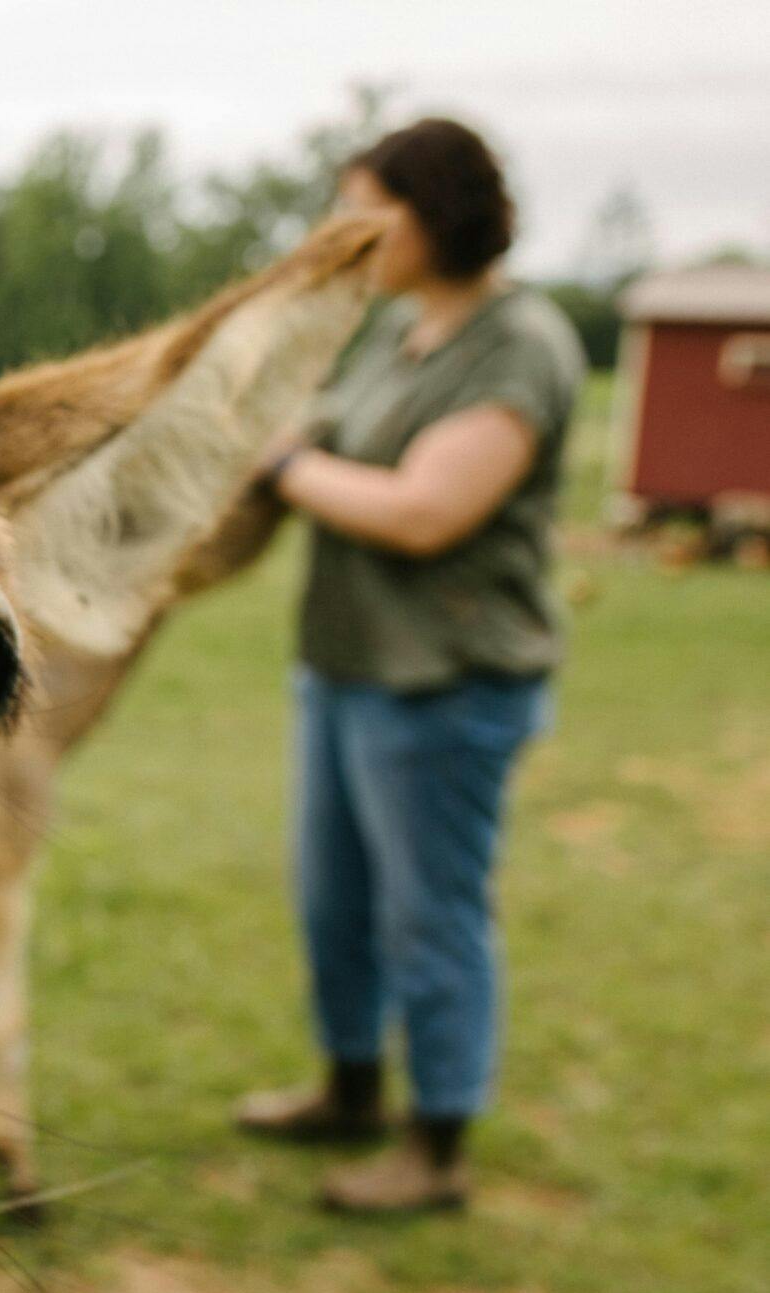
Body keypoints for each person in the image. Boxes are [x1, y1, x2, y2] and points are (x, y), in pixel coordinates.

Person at [235, 117, 585, 1214]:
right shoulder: (402, 331)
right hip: (345, 667)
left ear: (435, 212)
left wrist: (287, 464)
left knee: (428, 914)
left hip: (445, 685)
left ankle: (436, 1147)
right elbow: (321, 420)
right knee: (334, 902)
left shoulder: (519, 346)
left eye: (367, 214)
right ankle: (348, 1090)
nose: (348, 236)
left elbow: (425, 510)